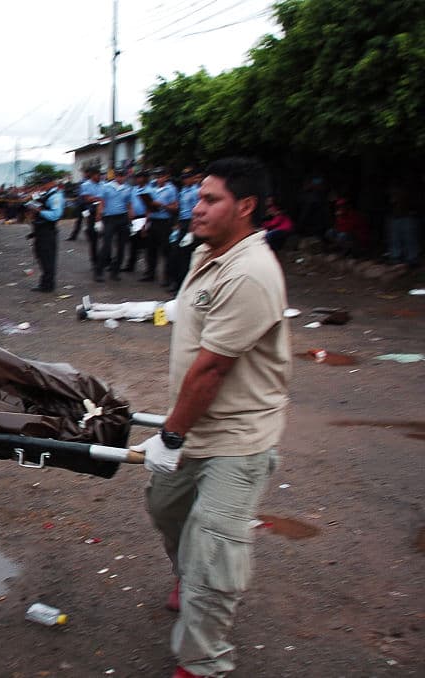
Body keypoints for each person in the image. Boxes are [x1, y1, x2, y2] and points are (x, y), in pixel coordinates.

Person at [132, 157, 290, 678]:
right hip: (196, 426)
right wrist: (177, 433)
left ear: (245, 207)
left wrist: (169, 436)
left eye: (210, 199)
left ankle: (203, 664)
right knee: (165, 507)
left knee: (214, 551)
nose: (194, 208)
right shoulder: (209, 254)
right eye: (196, 197)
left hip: (236, 439)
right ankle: (190, 576)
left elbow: (211, 370)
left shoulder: (249, 272)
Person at [94, 168, 133, 282]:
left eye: (122, 175)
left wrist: (131, 221)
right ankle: (99, 272)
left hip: (122, 217)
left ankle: (115, 272)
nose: (120, 177)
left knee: (121, 246)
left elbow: (129, 205)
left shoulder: (128, 188)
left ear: (125, 176)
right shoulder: (106, 187)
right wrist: (98, 220)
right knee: (106, 246)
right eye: (118, 175)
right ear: (115, 176)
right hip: (109, 218)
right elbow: (101, 203)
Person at [142, 167, 179, 284]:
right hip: (153, 220)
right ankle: (150, 273)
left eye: (161, 176)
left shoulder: (171, 189)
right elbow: (148, 207)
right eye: (157, 176)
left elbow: (175, 207)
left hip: (164, 222)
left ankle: (167, 276)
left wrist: (162, 205)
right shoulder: (151, 188)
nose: (159, 179)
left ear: (166, 177)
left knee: (165, 250)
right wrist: (146, 223)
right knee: (150, 250)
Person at [25, 179, 64, 292]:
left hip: (48, 232)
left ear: (51, 183)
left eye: (44, 183)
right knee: (41, 256)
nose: (41, 187)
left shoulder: (55, 197)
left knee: (47, 258)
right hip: (41, 231)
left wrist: (39, 211)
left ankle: (48, 285)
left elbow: (55, 215)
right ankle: (45, 283)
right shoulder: (47, 194)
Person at [68, 167, 104, 270]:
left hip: (103, 213)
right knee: (93, 239)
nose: (99, 177)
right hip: (90, 212)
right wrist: (97, 198)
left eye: (100, 175)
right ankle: (95, 261)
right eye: (97, 175)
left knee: (104, 237)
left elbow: (101, 198)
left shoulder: (103, 184)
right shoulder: (85, 185)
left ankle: (105, 259)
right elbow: (87, 199)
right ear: (92, 175)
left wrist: (96, 198)